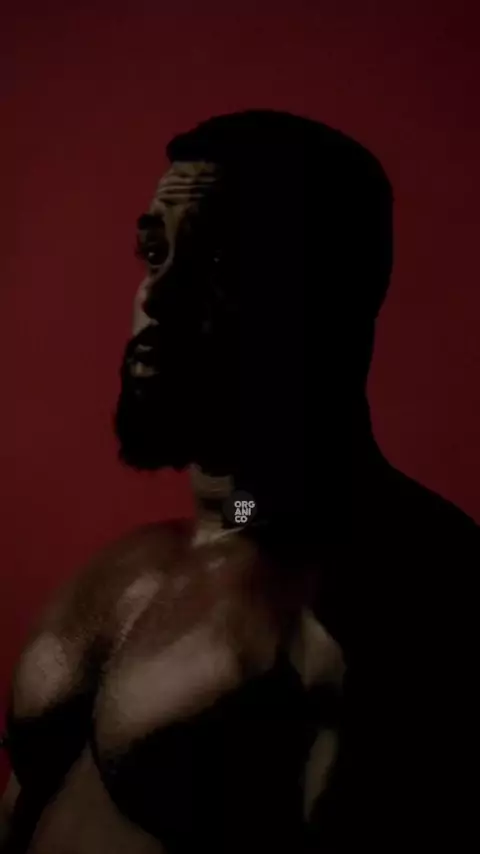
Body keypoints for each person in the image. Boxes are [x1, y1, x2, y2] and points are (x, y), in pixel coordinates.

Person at [1, 110, 478, 853]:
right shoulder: (163, 556)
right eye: (154, 253)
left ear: (334, 298)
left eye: (221, 262)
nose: (155, 298)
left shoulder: (403, 607)